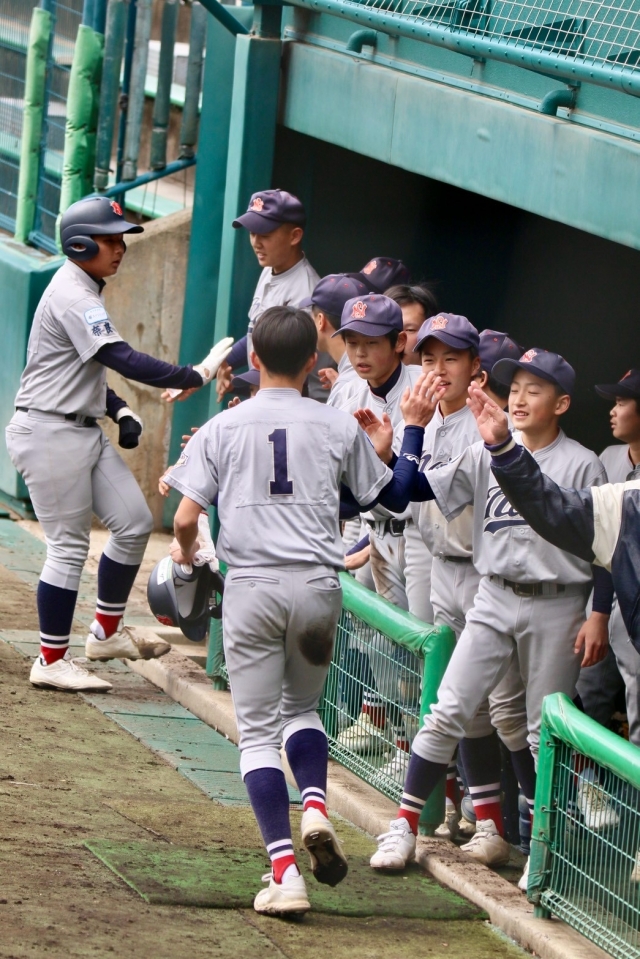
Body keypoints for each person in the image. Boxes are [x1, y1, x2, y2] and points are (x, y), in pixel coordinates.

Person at [163, 304, 439, 916]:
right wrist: (409, 433)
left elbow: (184, 518)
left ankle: (285, 873)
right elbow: (393, 498)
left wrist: (190, 558)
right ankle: (314, 803)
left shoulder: (222, 427)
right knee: (303, 710)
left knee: (258, 734)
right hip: (317, 585)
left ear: (255, 358)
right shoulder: (337, 425)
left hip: (253, 587)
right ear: (313, 361)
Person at [367, 348, 608, 892]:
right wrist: (403, 440)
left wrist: (598, 612)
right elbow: (415, 490)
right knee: (448, 709)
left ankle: (544, 853)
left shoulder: (582, 463)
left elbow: (604, 547)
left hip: (558, 601)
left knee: (542, 732)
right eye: (514, 388)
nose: (519, 399)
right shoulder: (483, 451)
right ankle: (403, 825)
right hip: (493, 593)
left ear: (561, 404)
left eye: (534, 390)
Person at [5, 195, 230, 692]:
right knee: (68, 547)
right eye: (109, 239)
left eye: (120, 237)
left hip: (76, 426)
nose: (119, 246)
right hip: (48, 432)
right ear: (80, 244)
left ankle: (105, 633)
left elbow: (76, 367)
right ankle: (50, 660)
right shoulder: (74, 294)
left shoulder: (84, 288)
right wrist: (192, 374)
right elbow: (120, 356)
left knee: (133, 522)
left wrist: (118, 409)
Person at [215, 189, 331, 402]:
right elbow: (257, 334)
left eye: (265, 235)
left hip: (302, 404)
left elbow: (287, 379)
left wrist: (236, 383)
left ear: (294, 236)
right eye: (252, 233)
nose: (256, 242)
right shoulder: (271, 268)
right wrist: (216, 366)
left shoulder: (305, 296)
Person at [576, 370, 640, 747]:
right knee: (586, 698)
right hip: (605, 595)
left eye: (621, 402)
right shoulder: (609, 457)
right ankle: (587, 780)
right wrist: (598, 613)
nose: (612, 412)